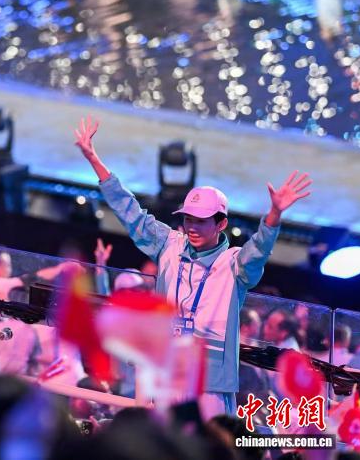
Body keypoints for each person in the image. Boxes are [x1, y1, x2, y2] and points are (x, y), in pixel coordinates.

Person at [73, 116, 312, 418]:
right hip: (164, 375)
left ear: (221, 224)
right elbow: (130, 212)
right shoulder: (168, 245)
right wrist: (94, 159)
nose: (192, 227)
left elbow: (259, 250)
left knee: (208, 442)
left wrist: (274, 214)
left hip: (209, 384)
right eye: (188, 219)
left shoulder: (234, 263)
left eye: (201, 221)